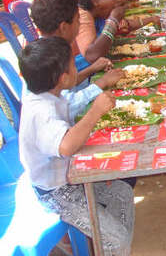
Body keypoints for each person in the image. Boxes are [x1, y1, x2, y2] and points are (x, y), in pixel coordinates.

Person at [18, 37, 135, 255]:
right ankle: (116, 245)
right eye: (73, 65)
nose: (76, 68)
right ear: (63, 78)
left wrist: (99, 87)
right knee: (116, 240)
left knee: (122, 192)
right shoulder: (41, 112)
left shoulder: (50, 96)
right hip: (56, 192)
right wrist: (95, 112)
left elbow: (71, 104)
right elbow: (66, 146)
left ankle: (116, 247)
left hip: (70, 177)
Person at [30, 0, 124, 119]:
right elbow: (69, 106)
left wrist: (92, 68)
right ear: (64, 27)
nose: (79, 25)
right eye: (77, 21)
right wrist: (102, 82)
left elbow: (65, 84)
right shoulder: (49, 59)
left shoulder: (53, 48)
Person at [75, 0, 159, 63]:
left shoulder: (100, 14)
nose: (120, 0)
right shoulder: (82, 16)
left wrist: (152, 19)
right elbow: (92, 56)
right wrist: (113, 21)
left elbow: (127, 25)